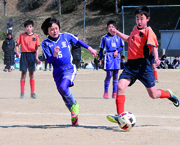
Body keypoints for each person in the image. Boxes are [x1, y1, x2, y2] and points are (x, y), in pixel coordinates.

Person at [106, 5, 179, 124]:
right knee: (120, 86)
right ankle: (120, 116)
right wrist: (117, 32)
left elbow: (153, 46)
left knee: (154, 94)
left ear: (147, 19)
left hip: (144, 66)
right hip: (130, 65)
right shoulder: (135, 29)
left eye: (141, 18)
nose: (139, 21)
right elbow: (129, 39)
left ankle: (169, 94)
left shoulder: (148, 31)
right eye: (137, 18)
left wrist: (156, 58)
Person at [41, 17, 97, 126]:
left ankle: (75, 106)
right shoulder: (45, 43)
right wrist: (54, 55)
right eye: (51, 29)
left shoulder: (66, 36)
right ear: (47, 31)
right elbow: (48, 60)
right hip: (57, 71)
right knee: (63, 95)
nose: (55, 31)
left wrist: (90, 48)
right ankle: (74, 115)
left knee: (63, 87)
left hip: (69, 68)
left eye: (56, 28)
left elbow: (78, 42)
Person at [15, 20, 40, 99]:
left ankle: (32, 93)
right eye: (27, 27)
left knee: (31, 75)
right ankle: (22, 93)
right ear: (25, 28)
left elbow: (37, 48)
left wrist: (37, 57)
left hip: (32, 55)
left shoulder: (36, 36)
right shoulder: (22, 35)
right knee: (23, 74)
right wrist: (17, 52)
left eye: (30, 27)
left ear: (32, 27)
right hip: (24, 55)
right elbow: (16, 44)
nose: (28, 28)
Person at [99, 20, 124, 99]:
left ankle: (114, 92)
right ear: (107, 28)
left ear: (115, 28)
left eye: (112, 27)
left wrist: (117, 51)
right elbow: (101, 49)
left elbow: (121, 46)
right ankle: (106, 92)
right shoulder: (104, 38)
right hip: (108, 56)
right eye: (109, 27)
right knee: (109, 74)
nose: (111, 28)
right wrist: (100, 59)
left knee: (116, 75)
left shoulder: (118, 36)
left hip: (116, 57)